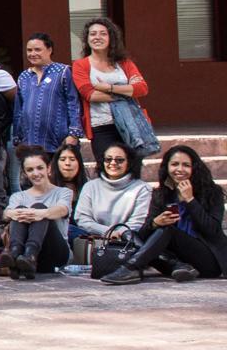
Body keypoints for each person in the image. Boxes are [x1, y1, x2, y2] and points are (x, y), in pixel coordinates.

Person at [101, 145, 227, 285]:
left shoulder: (212, 192)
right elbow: (143, 235)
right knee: (129, 235)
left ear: (194, 168)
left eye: (186, 165)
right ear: (167, 167)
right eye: (174, 164)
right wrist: (156, 223)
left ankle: (131, 268)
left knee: (169, 231)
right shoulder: (160, 194)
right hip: (174, 259)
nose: (179, 169)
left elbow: (213, 231)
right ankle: (178, 266)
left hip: (208, 262)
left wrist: (190, 200)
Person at [71, 17, 150, 158]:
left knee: (133, 169)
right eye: (93, 34)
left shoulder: (125, 63)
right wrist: (126, 91)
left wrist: (108, 87)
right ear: (87, 38)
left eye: (103, 33)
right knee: (106, 169)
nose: (97, 37)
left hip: (131, 124)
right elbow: (90, 95)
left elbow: (142, 88)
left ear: (111, 38)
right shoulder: (80, 65)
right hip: (101, 127)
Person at [0, 148, 74, 280]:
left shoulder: (63, 192)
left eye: (40, 168)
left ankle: (30, 255)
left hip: (55, 254)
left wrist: (40, 213)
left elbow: (63, 209)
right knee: (20, 209)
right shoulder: (18, 196)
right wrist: (13, 213)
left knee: (39, 208)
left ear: (49, 168)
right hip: (23, 259)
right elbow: (7, 213)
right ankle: (15, 254)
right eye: (30, 170)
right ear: (25, 173)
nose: (36, 173)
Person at [72, 145, 149, 258]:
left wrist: (119, 233)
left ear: (129, 163)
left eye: (119, 160)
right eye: (108, 159)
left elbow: (138, 221)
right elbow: (82, 219)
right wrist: (108, 232)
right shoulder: (90, 186)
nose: (113, 163)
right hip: (96, 239)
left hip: (128, 240)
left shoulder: (142, 188)